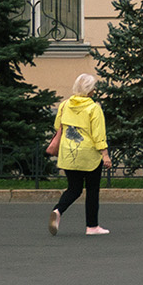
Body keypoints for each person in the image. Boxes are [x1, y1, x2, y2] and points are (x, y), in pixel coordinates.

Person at [49, 73, 111, 237]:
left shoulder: (64, 105)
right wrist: (105, 155)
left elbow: (57, 125)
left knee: (74, 189)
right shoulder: (93, 108)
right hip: (88, 155)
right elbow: (98, 135)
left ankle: (58, 210)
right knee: (92, 190)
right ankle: (92, 226)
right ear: (90, 91)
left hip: (68, 153)